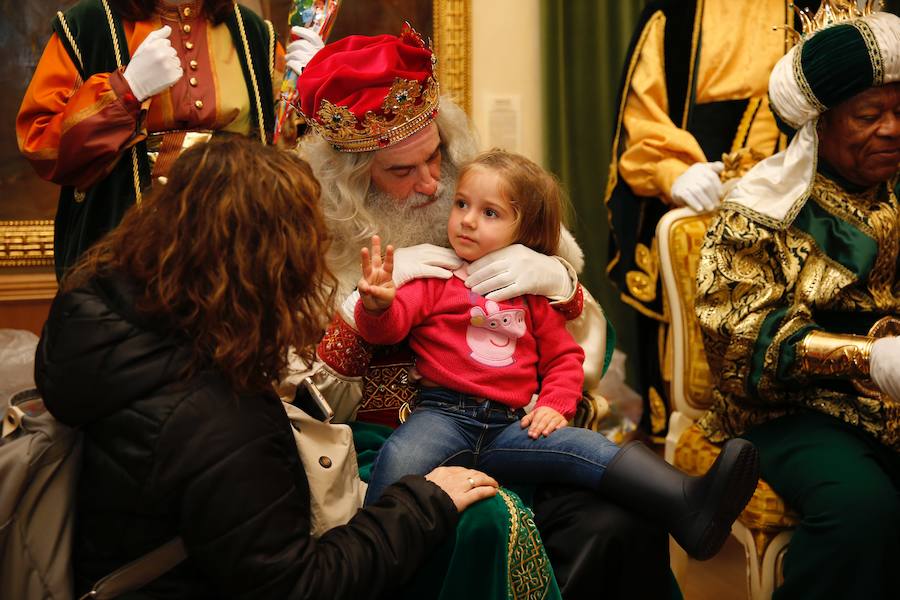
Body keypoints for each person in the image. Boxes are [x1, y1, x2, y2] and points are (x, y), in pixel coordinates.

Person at [283, 25, 673, 599]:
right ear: (349, 182)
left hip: (511, 423)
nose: (432, 184)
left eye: (435, 156)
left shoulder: (485, 201)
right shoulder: (310, 239)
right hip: (377, 447)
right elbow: (303, 404)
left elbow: (572, 347)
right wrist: (355, 310)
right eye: (400, 172)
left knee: (625, 516)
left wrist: (556, 277)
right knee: (484, 523)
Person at [34, 135, 503, 599]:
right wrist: (424, 503)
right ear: (269, 270)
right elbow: (302, 584)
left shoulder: (111, 318)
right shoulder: (217, 419)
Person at [353, 149, 760, 562]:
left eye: (489, 213)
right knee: (400, 459)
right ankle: (372, 560)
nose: (468, 220)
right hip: (442, 417)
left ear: (524, 230)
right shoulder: (435, 277)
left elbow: (564, 359)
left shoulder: (530, 294)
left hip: (510, 426)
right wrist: (377, 305)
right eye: (461, 204)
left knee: (587, 448)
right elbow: (389, 328)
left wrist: (555, 405)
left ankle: (688, 502)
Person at [695, 5, 900, 598]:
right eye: (869, 114)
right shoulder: (760, 211)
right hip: (790, 412)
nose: (890, 128)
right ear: (820, 125)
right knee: (860, 513)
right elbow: (736, 338)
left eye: (899, 111)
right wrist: (867, 359)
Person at [604, 0, 818, 438]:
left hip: (805, 221)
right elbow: (642, 118)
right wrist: (672, 172)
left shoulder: (819, 7)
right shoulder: (674, 13)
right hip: (700, 216)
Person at [16, 0, 282, 279]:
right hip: (128, 259)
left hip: (239, 253)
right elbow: (41, 144)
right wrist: (126, 89)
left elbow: (285, 147)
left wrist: (306, 95)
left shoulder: (252, 31)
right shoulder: (87, 26)